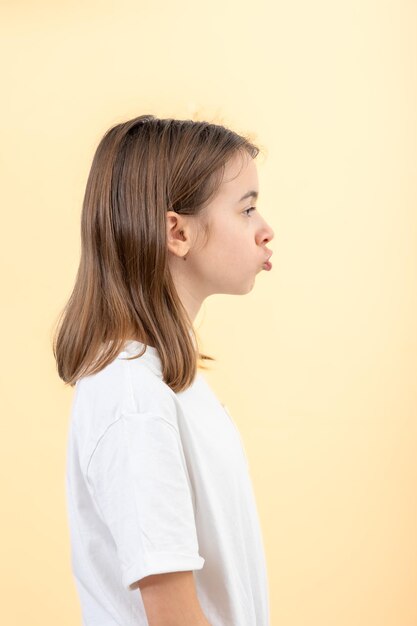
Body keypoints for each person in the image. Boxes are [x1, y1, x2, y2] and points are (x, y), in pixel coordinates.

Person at [53, 114, 275, 626]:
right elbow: (171, 613)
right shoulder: (133, 396)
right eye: (247, 209)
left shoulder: (166, 382)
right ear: (177, 231)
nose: (266, 231)